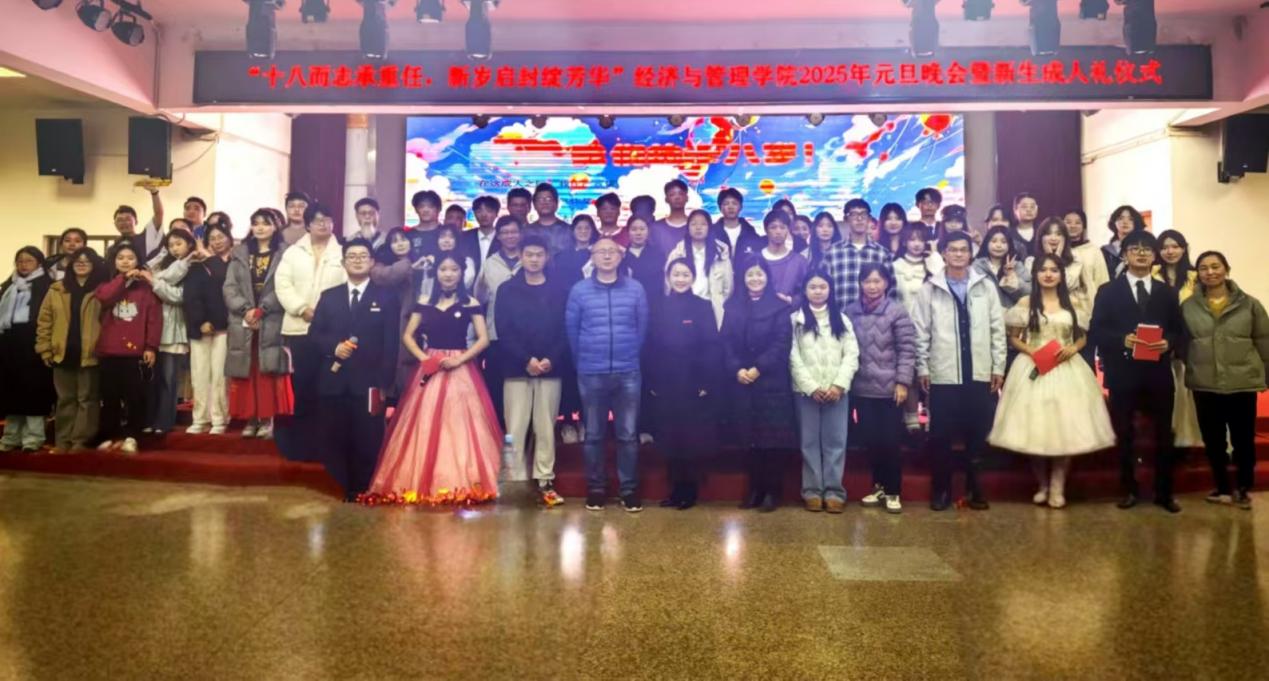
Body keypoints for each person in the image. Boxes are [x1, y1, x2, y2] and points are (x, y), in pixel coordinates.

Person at [361, 254, 502, 506]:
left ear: (461, 273)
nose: (448, 274)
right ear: (436, 273)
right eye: (443, 269)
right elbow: (407, 335)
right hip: (431, 368)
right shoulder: (424, 301)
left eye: (454, 269)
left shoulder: (470, 302)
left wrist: (460, 359)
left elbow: (483, 339)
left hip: (461, 369)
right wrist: (424, 358)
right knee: (424, 423)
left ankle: (464, 482)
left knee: (460, 423)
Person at [989, 254, 1116, 509]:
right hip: (1033, 367)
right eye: (1043, 270)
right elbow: (1013, 337)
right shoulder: (1026, 302)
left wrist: (1073, 348)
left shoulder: (1073, 303)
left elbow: (1082, 336)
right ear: (1035, 274)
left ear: (1061, 275)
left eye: (1054, 270)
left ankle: (1058, 485)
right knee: (1034, 428)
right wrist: (1032, 351)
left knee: (1065, 428)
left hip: (1067, 368)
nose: (1048, 274)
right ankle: (1043, 484)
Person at [1090, 229, 1184, 514]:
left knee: (1163, 433)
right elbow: (1097, 330)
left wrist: (1169, 342)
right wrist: (1122, 340)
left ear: (1154, 256)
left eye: (1147, 249)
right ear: (1124, 255)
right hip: (1123, 372)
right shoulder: (1108, 291)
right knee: (1125, 432)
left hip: (1158, 372)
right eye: (1135, 249)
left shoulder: (1167, 292)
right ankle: (1129, 489)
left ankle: (1164, 492)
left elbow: (1179, 330)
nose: (1141, 253)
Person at [913, 231, 1006, 512]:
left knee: (978, 433)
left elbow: (997, 329)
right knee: (941, 435)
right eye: (952, 249)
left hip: (979, 372)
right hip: (944, 373)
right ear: (943, 253)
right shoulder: (930, 289)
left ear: (971, 253)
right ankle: (941, 489)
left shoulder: (985, 286)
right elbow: (920, 332)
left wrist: (998, 366)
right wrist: (923, 366)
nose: (958, 254)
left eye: (963, 249)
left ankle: (975, 488)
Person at [309, 239, 400, 501]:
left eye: (363, 256)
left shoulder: (386, 297)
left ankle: (362, 488)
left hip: (369, 382)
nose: (357, 260)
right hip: (334, 381)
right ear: (343, 262)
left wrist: (385, 383)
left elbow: (391, 343)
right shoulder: (330, 296)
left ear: (372, 262)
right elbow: (314, 335)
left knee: (368, 437)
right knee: (335, 436)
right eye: (352, 256)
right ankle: (340, 486)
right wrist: (334, 347)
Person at [566, 238, 649, 513]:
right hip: (591, 370)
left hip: (628, 370)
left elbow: (642, 329)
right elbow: (572, 332)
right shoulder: (579, 290)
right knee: (593, 434)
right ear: (592, 256)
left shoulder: (636, 289)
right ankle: (596, 488)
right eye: (601, 251)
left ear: (620, 256)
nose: (606, 256)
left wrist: (630, 355)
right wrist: (584, 362)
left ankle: (629, 489)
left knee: (627, 434)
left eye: (612, 251)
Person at [1182, 251, 1269, 510]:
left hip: (1241, 381)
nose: (1210, 272)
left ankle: (1243, 487)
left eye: (1215, 266)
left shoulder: (1250, 304)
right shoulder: (1188, 307)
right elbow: (1182, 342)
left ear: (1226, 269)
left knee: (1243, 439)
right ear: (1198, 274)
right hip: (1205, 382)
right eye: (1204, 268)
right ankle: (1222, 487)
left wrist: (1266, 374)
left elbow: (1264, 341)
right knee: (1213, 440)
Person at [495, 237, 567, 507]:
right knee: (514, 427)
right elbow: (503, 330)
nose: (534, 259)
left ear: (546, 257)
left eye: (539, 254)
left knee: (546, 427)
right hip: (516, 367)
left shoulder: (559, 289)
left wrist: (550, 359)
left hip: (550, 367)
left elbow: (565, 329)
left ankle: (545, 480)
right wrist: (526, 359)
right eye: (529, 254)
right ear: (521, 257)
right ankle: (512, 481)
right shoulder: (507, 289)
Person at [646, 258, 721, 510]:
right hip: (665, 381)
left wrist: (705, 381)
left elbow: (711, 346)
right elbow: (650, 346)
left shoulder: (702, 306)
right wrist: (652, 380)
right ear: (668, 277)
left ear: (693, 278)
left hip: (693, 381)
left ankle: (690, 491)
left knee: (691, 439)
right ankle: (675, 489)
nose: (680, 279)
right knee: (670, 438)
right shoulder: (658, 305)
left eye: (685, 274)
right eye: (676, 274)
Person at [722, 257, 794, 513]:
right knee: (749, 440)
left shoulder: (780, 307)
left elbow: (782, 343)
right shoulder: (732, 305)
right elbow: (726, 342)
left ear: (767, 277)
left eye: (760, 274)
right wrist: (737, 369)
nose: (755, 279)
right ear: (743, 278)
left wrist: (758, 368)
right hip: (742, 381)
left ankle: (772, 491)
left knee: (771, 440)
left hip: (771, 381)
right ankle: (754, 490)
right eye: (750, 274)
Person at [274, 202, 346, 455]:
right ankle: (304, 444)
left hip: (332, 332)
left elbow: (347, 286)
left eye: (327, 219)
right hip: (300, 328)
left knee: (329, 387)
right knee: (304, 386)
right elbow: (282, 284)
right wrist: (301, 308)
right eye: (317, 220)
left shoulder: (342, 252)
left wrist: (326, 316)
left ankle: (328, 444)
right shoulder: (293, 253)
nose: (323, 224)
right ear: (307, 225)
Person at [846, 264, 915, 513]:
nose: (872, 286)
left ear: (886, 283)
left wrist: (902, 382)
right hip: (861, 389)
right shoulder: (850, 312)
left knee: (890, 441)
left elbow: (907, 349)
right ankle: (878, 487)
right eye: (867, 281)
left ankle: (893, 490)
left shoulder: (897, 311)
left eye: (877, 281)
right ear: (860, 284)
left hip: (889, 390)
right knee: (871, 441)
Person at [790, 271, 859, 514]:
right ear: (805, 290)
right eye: (813, 287)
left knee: (836, 442)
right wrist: (811, 387)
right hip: (806, 393)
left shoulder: (842, 319)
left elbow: (852, 354)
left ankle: (834, 492)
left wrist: (838, 385)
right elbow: (792, 357)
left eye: (822, 286)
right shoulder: (795, 320)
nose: (818, 291)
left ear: (830, 290)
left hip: (836, 392)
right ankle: (812, 491)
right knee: (808, 443)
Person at [224, 209, 292, 440]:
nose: (260, 227)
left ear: (275, 226)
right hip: (243, 320)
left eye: (265, 223)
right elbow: (229, 288)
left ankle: (267, 419)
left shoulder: (285, 254)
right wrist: (246, 310)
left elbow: (285, 286)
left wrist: (262, 310)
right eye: (256, 223)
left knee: (267, 372)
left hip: (271, 319)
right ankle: (250, 418)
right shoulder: (240, 253)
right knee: (246, 371)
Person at [36, 248, 106, 453]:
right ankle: (63, 441)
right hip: (62, 352)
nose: (81, 264)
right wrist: (44, 348)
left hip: (90, 353)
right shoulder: (57, 289)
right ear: (70, 264)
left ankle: (80, 441)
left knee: (87, 400)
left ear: (94, 265)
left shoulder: (101, 290)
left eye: (87, 261)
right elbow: (44, 320)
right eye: (77, 260)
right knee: (65, 400)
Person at [94, 243, 161, 454]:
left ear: (138, 261)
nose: (125, 261)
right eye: (121, 258)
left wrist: (151, 346)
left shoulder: (146, 288)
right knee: (110, 398)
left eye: (130, 258)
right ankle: (109, 436)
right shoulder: (107, 284)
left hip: (135, 353)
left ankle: (132, 436)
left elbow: (154, 319)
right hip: (108, 351)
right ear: (114, 261)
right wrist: (123, 279)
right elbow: (104, 297)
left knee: (135, 397)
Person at [0, 247, 54, 452]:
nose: (23, 265)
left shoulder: (46, 285)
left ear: (39, 263)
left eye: (29, 261)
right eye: (20, 261)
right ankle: (10, 437)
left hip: (34, 345)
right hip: (9, 345)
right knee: (11, 392)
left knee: (34, 393)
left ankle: (33, 438)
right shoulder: (8, 285)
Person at [1153, 229, 1202, 448]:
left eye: (1175, 246)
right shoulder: (1152, 274)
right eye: (1164, 247)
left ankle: (1189, 438)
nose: (1170, 251)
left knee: (1187, 390)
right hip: (1160, 340)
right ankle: (1170, 439)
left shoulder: (1195, 277)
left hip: (1189, 340)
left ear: (1183, 249)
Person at [145, 230, 196, 437]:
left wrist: (154, 282)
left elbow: (177, 296)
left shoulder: (191, 266)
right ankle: (150, 419)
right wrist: (161, 256)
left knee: (168, 379)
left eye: (179, 243)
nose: (174, 248)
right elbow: (147, 269)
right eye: (170, 245)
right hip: (154, 329)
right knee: (153, 379)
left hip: (173, 330)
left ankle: (164, 421)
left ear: (190, 244)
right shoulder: (166, 265)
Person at [183, 222, 232, 435]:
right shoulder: (197, 265)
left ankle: (220, 418)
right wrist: (200, 321)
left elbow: (225, 282)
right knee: (200, 374)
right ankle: (200, 418)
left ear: (229, 238)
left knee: (220, 375)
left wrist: (211, 258)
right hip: (200, 327)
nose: (217, 241)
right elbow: (191, 297)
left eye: (221, 237)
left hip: (224, 327)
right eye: (212, 238)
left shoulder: (234, 263)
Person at [892, 223, 941, 433]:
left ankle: (931, 418)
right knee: (909, 373)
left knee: (931, 372)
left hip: (933, 327)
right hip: (904, 326)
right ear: (904, 242)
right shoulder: (896, 265)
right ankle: (911, 418)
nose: (916, 244)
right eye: (912, 239)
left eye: (921, 239)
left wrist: (935, 256)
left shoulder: (933, 264)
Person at [474, 216, 523, 425]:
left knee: (521, 386)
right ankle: (497, 430)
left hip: (526, 335)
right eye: (505, 232)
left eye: (514, 232)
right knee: (497, 384)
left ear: (520, 234)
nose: (510, 236)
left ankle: (521, 431)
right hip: (496, 334)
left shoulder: (529, 259)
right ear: (499, 236)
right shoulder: (489, 263)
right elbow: (479, 297)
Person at [665, 209, 733, 328]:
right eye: (694, 224)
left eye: (703, 224)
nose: (698, 227)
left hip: (711, 310)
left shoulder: (721, 254)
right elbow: (668, 284)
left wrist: (718, 301)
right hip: (683, 308)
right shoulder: (677, 253)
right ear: (688, 227)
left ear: (709, 227)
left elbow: (728, 288)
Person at [822, 199, 895, 309]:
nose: (859, 219)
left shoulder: (882, 253)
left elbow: (891, 291)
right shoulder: (832, 253)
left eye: (863, 214)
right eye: (854, 214)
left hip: (876, 317)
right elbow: (823, 288)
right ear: (846, 219)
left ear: (869, 219)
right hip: (840, 316)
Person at [1027, 218, 1099, 324]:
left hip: (1068, 310)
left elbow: (1067, 285)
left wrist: (1056, 259)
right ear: (1041, 237)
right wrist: (1049, 257)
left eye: (1058, 234)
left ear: (1065, 238)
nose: (1053, 238)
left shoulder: (1075, 259)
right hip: (1039, 311)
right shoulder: (1031, 261)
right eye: (1048, 234)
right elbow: (1035, 287)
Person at [759, 210, 810, 307]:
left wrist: (792, 300)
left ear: (788, 230)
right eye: (773, 227)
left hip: (790, 313)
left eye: (782, 227)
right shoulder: (755, 260)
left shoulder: (799, 261)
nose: (778, 231)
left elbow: (807, 290)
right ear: (766, 230)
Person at [973, 225, 1030, 309]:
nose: (998, 245)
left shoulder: (1017, 266)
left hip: (1012, 314)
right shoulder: (976, 266)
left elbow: (1028, 292)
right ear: (987, 243)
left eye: (1003, 242)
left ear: (1009, 245)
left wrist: (1011, 276)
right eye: (994, 241)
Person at [113, 188, 165, 263]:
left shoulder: (146, 238)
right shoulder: (112, 248)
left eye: (127, 219)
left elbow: (158, 214)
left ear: (136, 221)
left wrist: (154, 193)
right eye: (120, 220)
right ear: (115, 224)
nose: (124, 222)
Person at [711, 187, 764, 261]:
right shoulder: (712, 232)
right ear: (720, 208)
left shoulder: (749, 231)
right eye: (726, 204)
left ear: (741, 207)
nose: (730, 207)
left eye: (734, 203)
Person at [621, 215, 665, 303]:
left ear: (648, 231)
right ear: (628, 232)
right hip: (630, 301)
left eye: (642, 229)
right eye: (634, 229)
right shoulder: (622, 256)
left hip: (655, 301)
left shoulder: (658, 253)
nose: (638, 233)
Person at [526, 182, 573, 255]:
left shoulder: (569, 230)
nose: (545, 203)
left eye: (549, 199)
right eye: (540, 199)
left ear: (556, 203)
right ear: (534, 205)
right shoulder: (527, 231)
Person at [1101, 205, 1147, 277]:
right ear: (1114, 222)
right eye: (1120, 218)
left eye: (1130, 219)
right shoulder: (1106, 251)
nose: (1125, 222)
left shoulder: (1144, 248)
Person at [462, 195, 501, 277]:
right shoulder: (464, 237)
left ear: (496, 213)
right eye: (479, 211)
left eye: (489, 211)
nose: (484, 215)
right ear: (474, 213)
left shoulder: (502, 239)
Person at [651, 179, 691, 255]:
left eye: (681, 194)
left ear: (687, 198)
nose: (677, 197)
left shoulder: (696, 226)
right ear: (666, 199)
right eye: (672, 194)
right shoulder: (656, 227)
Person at [406, 190, 444, 260]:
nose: (425, 210)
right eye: (421, 206)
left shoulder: (447, 233)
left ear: (439, 209)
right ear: (416, 210)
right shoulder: (408, 235)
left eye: (430, 206)